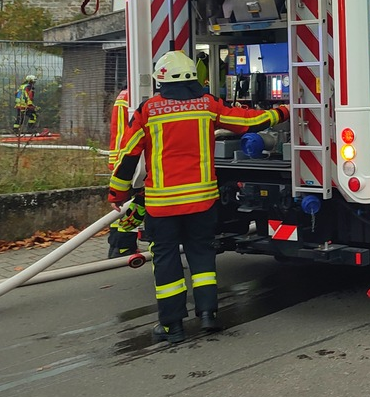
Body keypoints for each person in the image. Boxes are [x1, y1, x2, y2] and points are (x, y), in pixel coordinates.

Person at [109, 51, 289, 344]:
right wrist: (284, 111)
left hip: (163, 205)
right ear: (194, 77)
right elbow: (249, 121)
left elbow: (128, 157)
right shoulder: (207, 105)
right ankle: (208, 315)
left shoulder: (148, 110)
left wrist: (117, 192)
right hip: (202, 202)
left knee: (166, 262)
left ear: (161, 79)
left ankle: (172, 327)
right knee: (202, 256)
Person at [106, 87, 145, 258]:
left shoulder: (123, 95)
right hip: (130, 160)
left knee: (119, 209)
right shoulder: (135, 95)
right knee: (133, 207)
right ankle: (124, 248)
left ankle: (116, 247)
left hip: (119, 159)